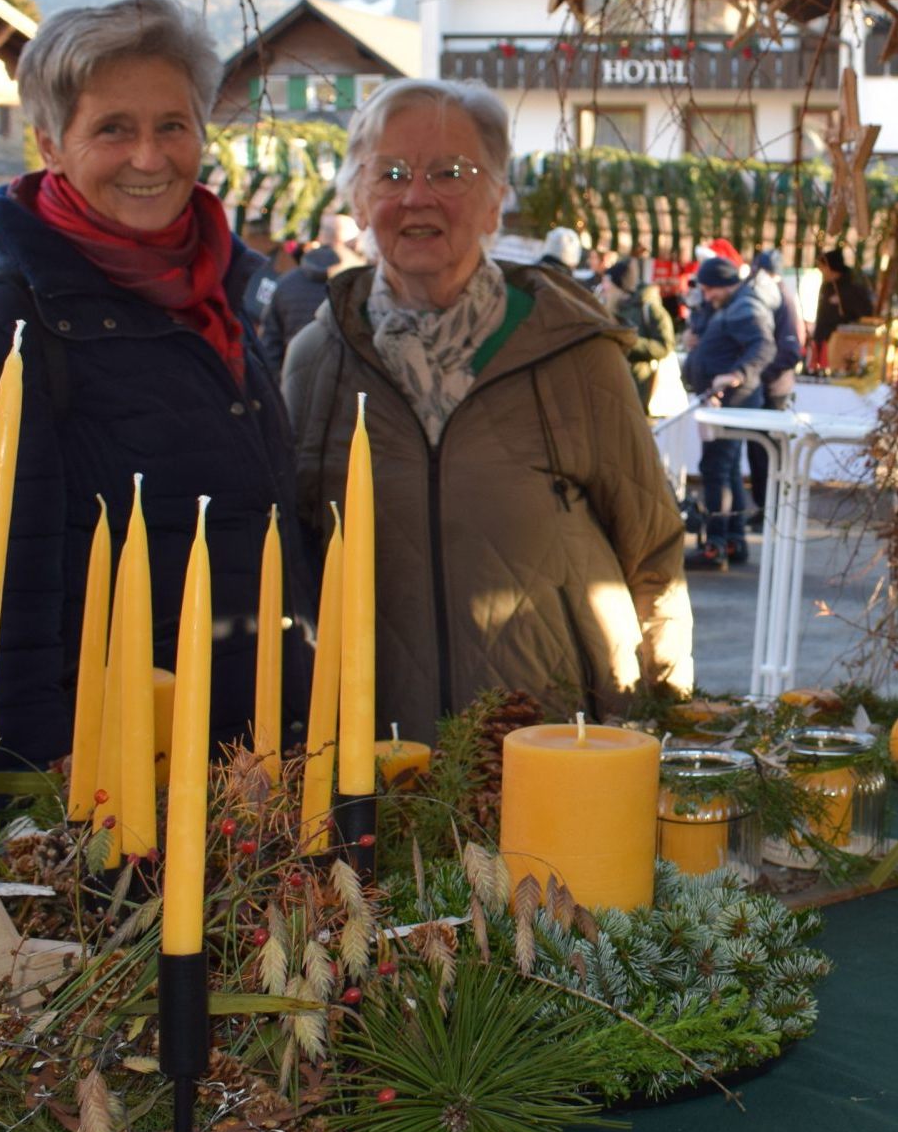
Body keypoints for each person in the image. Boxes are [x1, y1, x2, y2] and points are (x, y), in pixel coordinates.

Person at [0, 0, 300, 779]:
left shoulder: (218, 300)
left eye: (171, 125)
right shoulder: (0, 332)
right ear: (52, 143)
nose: (149, 157)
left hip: (254, 759)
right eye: (113, 128)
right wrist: (36, 790)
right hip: (112, 779)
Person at [283, 79, 691, 730]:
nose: (418, 195)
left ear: (496, 201)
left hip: (556, 751)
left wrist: (663, 722)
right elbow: (297, 562)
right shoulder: (316, 361)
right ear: (358, 200)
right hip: (378, 763)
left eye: (451, 172)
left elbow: (654, 552)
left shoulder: (576, 355)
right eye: (390, 173)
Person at [680, 253, 774, 571]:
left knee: (715, 469)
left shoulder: (745, 306)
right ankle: (733, 540)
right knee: (728, 469)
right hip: (727, 401)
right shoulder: (732, 305)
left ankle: (715, 545)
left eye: (710, 290)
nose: (707, 297)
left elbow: (763, 346)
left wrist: (736, 374)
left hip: (731, 402)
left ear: (725, 284)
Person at [259, 212, 367, 374]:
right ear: (352, 242)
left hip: (294, 383)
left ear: (321, 237)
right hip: (347, 388)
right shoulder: (364, 283)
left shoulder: (286, 283)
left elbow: (270, 348)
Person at [744, 249, 805, 521]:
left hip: (774, 386)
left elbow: (791, 351)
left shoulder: (784, 300)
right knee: (759, 450)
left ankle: (773, 509)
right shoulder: (777, 296)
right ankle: (764, 506)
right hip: (768, 383)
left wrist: (760, 373)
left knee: (768, 451)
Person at [605, 254, 676, 410]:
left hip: (642, 385)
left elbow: (665, 345)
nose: (604, 288)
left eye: (607, 283)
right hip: (615, 383)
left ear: (618, 285)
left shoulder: (649, 307)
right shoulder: (609, 308)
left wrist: (629, 341)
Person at [811, 247, 876, 368]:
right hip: (822, 344)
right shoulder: (826, 287)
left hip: (842, 348)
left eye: (823, 268)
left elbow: (864, 317)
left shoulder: (853, 291)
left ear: (831, 267)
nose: (821, 271)